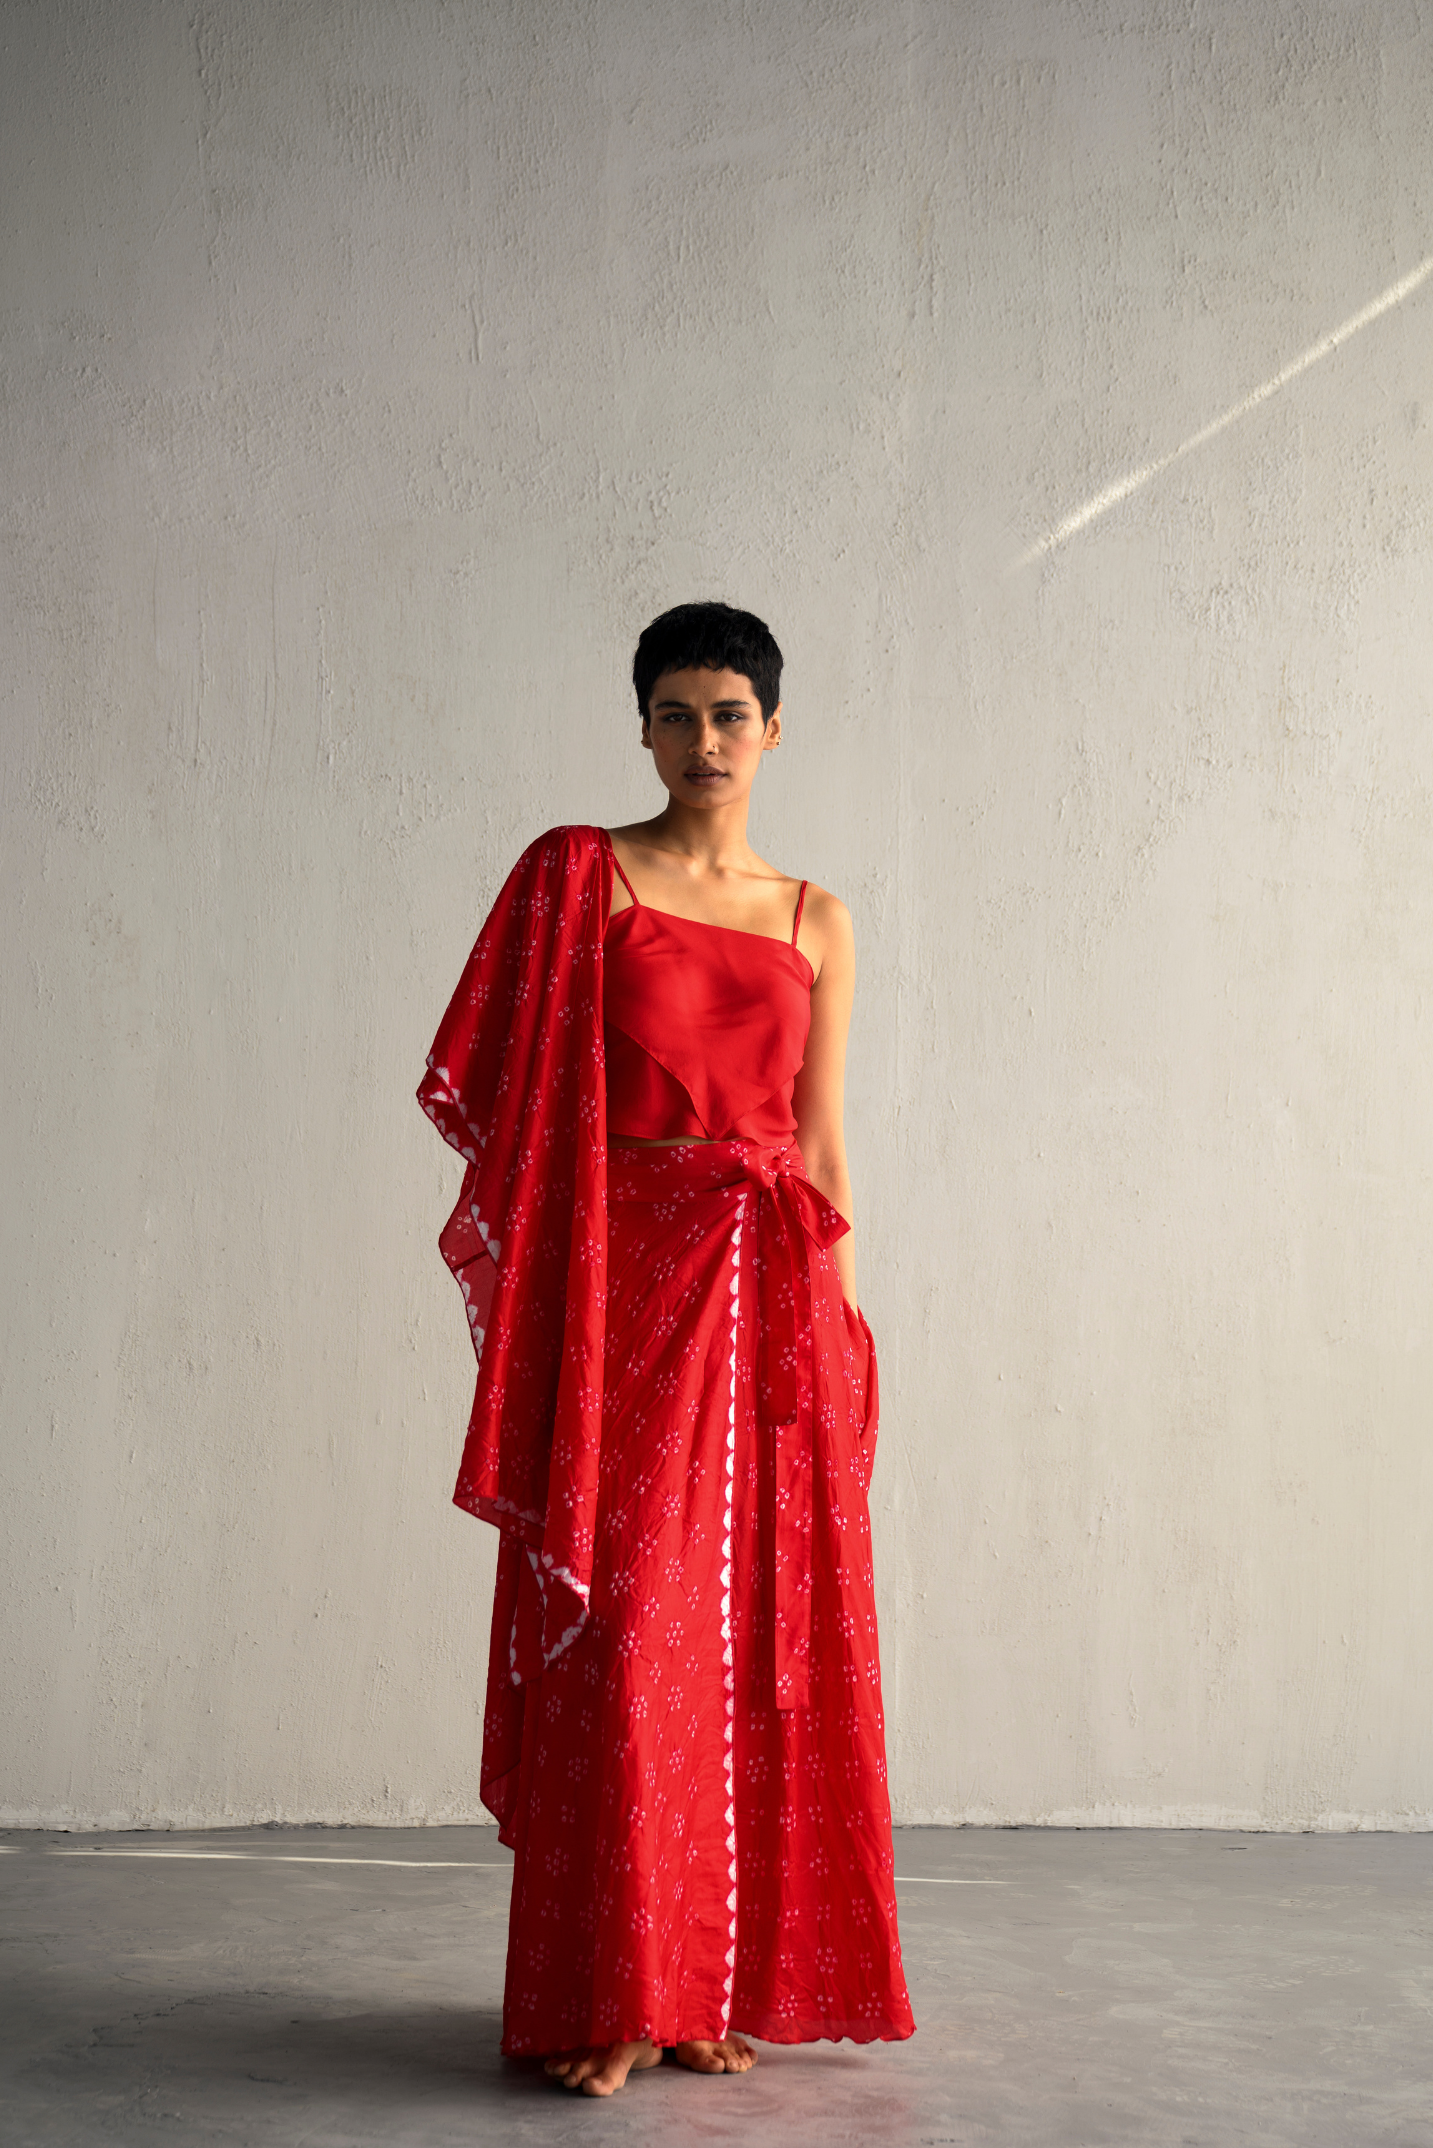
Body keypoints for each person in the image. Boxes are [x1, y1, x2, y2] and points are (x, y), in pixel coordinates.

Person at [418, 601, 914, 2096]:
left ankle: (701, 1982)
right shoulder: (582, 877)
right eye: (678, 713)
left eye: (732, 713)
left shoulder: (817, 916)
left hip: (776, 1295)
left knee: (748, 1642)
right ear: (641, 727)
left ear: (775, 729)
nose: (707, 740)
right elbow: (510, 1090)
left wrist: (843, 1329)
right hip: (626, 1286)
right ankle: (615, 1983)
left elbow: (821, 1141)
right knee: (628, 1630)